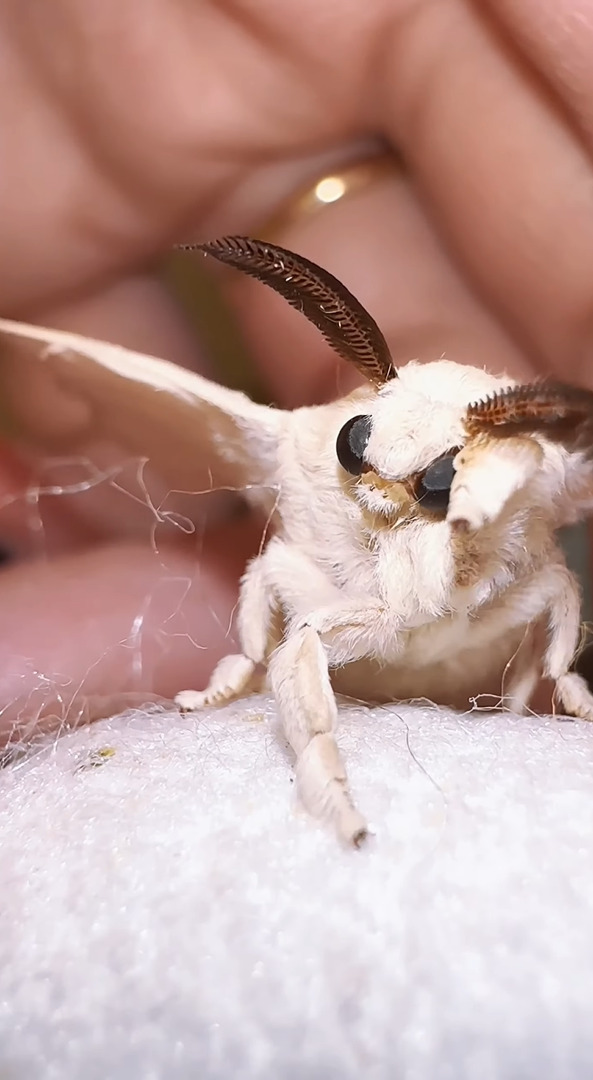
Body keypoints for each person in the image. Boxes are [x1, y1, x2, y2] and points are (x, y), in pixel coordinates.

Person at [1, 0, 592, 738]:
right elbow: (275, 572)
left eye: (430, 484)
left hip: (490, 664)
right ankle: (251, 667)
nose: (381, 488)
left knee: (552, 585)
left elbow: (554, 586)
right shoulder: (313, 446)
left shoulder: (525, 475)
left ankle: (551, 685)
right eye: (361, 453)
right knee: (271, 571)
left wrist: (556, 669)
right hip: (345, 640)